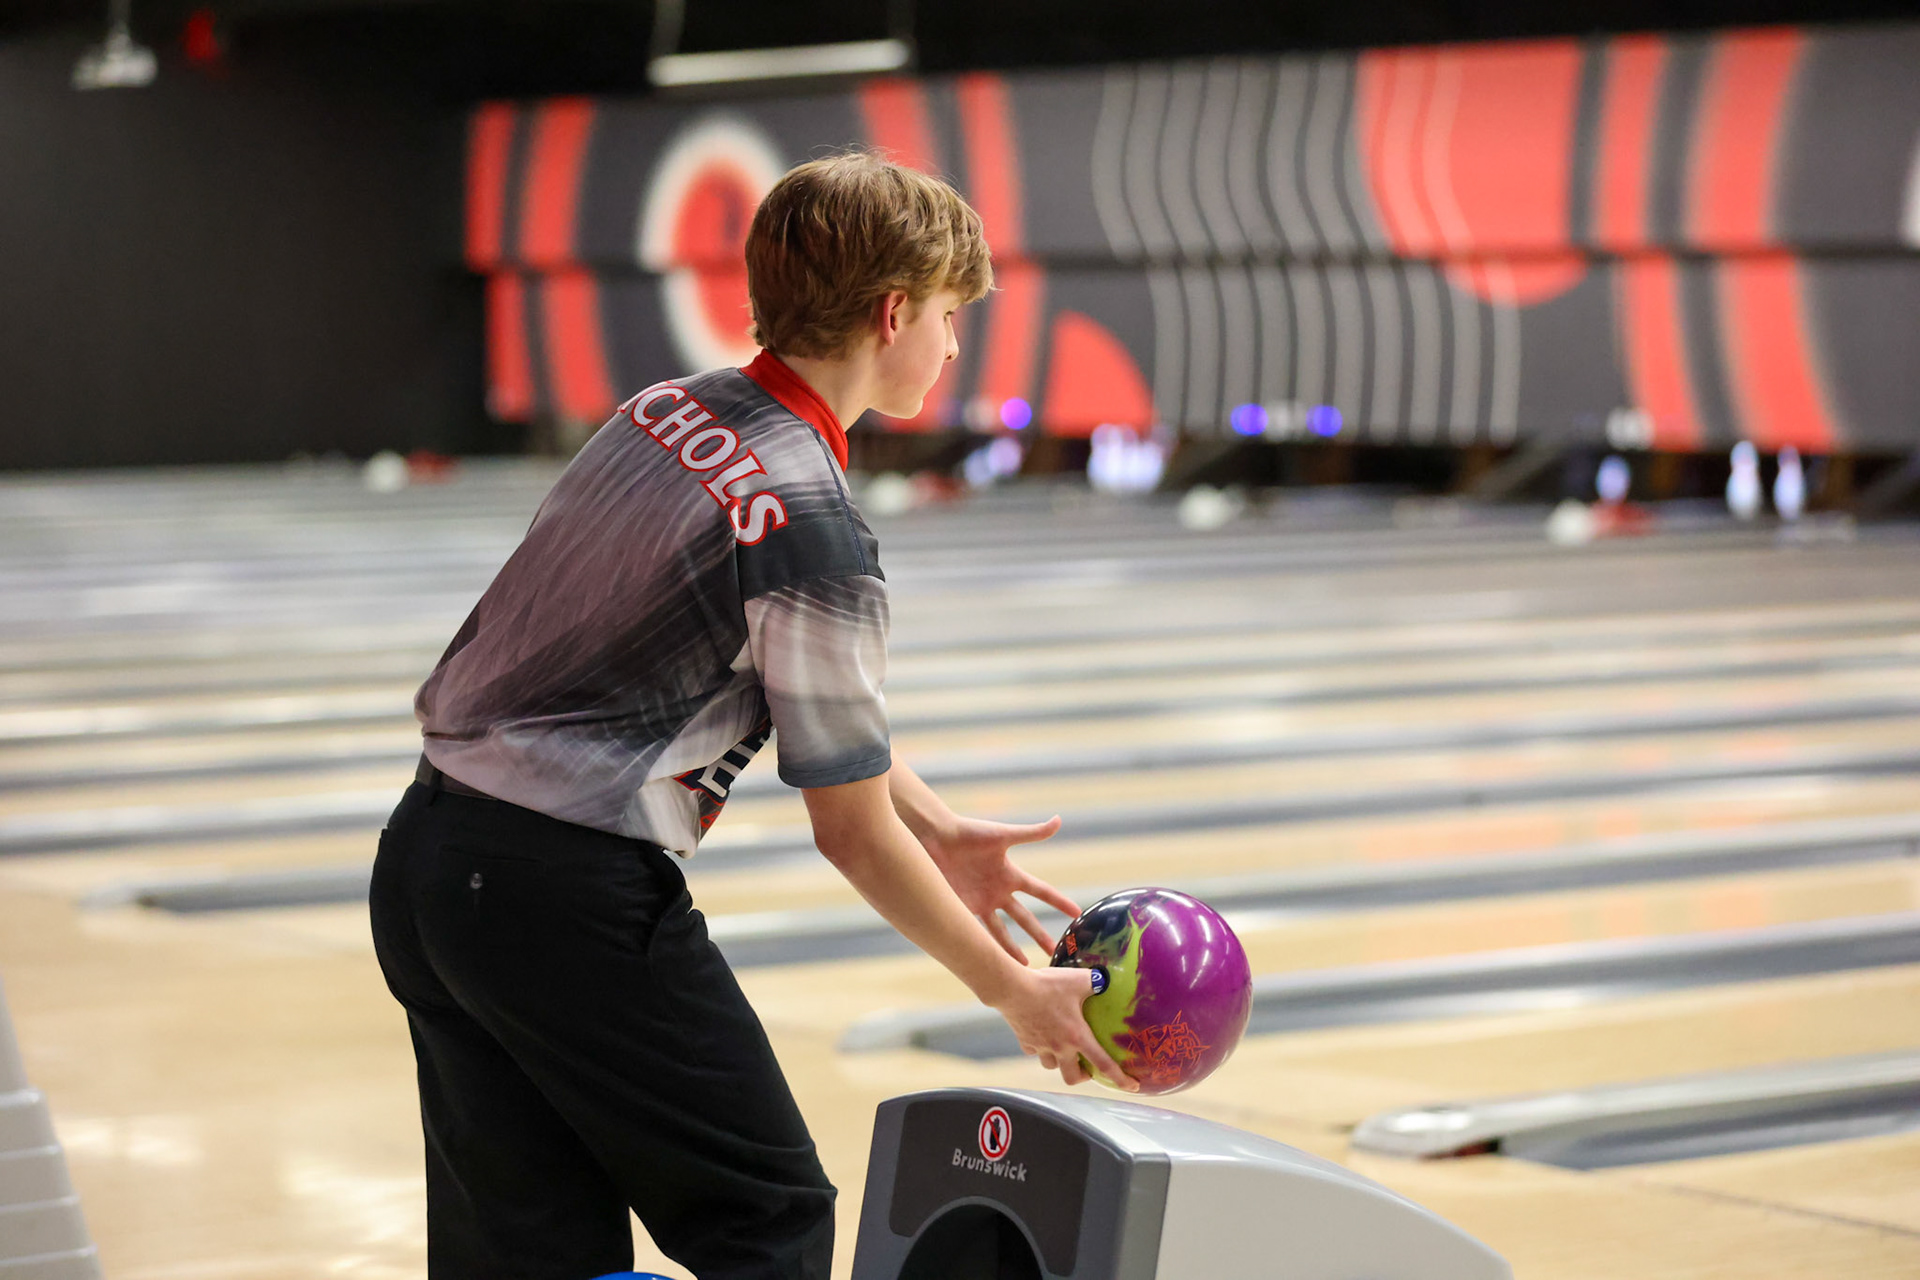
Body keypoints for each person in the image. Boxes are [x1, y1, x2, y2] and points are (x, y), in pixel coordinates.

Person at [368, 150, 1135, 1280]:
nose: (955, 344)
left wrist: (940, 825)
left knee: (530, 1248)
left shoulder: (661, 412)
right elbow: (848, 830)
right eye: (949, 315)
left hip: (429, 865)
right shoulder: (817, 527)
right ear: (891, 313)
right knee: (768, 1216)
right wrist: (1009, 988)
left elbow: (796, 701)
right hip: (564, 898)